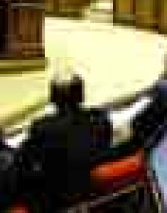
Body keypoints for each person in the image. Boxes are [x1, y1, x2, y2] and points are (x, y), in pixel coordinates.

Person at [17, 73, 113, 212]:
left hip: (57, 200)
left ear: (53, 98)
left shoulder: (42, 128)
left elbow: (24, 162)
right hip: (95, 195)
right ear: (81, 95)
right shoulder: (100, 120)